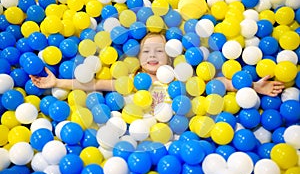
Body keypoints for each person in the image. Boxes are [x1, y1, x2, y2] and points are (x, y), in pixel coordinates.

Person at [30, 33, 285, 107]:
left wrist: (253, 86)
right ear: (138, 58)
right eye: (146, 51)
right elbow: (94, 84)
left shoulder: (181, 78)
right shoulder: (131, 79)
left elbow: (220, 83)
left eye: (159, 51)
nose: (152, 55)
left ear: (170, 58)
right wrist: (57, 82)